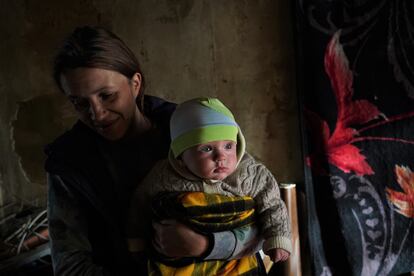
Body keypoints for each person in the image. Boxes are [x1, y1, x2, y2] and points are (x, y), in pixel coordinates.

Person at [45, 26, 266, 276]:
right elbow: (70, 265)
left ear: (135, 84)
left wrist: (206, 245)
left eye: (107, 96)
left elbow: (265, 226)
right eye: (79, 103)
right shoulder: (68, 163)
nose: (96, 114)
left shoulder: (195, 130)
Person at [127, 97, 292, 275]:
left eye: (228, 146)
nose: (221, 157)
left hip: (236, 262)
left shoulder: (251, 173)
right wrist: (137, 241)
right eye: (207, 149)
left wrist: (278, 238)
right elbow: (140, 204)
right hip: (183, 264)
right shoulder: (163, 176)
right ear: (181, 158)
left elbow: (273, 204)